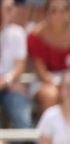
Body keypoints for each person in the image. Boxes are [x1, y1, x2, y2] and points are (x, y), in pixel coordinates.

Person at [0, 0, 33, 133]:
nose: (11, 12)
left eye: (12, 8)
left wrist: (7, 80)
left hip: (10, 86)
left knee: (23, 121)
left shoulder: (17, 33)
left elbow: (20, 65)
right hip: (7, 84)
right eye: (7, 8)